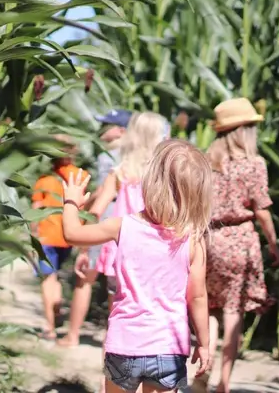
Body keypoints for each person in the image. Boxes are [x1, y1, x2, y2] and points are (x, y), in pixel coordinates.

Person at [60, 139, 214, 393]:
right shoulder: (193, 240)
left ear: (151, 181)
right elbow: (197, 296)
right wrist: (205, 343)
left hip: (125, 343)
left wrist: (71, 203)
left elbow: (72, 234)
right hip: (169, 347)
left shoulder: (122, 226)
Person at [194, 98, 279, 393]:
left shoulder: (206, 162)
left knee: (209, 309)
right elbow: (262, 210)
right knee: (233, 312)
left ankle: (202, 373)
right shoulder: (254, 164)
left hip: (208, 240)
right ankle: (225, 383)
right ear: (244, 130)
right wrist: (273, 244)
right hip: (240, 241)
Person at [85, 111, 171, 392]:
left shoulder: (120, 172)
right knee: (155, 318)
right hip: (156, 258)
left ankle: (112, 383)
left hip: (121, 256)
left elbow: (95, 212)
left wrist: (86, 250)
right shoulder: (163, 175)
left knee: (118, 324)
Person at [58, 109, 133, 348]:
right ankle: (115, 339)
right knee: (118, 283)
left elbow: (103, 189)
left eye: (108, 125)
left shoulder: (109, 154)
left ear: (121, 130)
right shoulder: (139, 154)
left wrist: (84, 207)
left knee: (85, 277)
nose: (102, 129)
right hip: (128, 219)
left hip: (106, 215)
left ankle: (72, 335)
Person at [30, 135, 82, 341]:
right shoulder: (79, 176)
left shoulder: (45, 179)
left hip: (48, 236)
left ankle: (50, 327)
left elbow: (36, 208)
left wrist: (34, 233)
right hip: (69, 236)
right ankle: (57, 309)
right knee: (56, 275)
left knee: (47, 279)